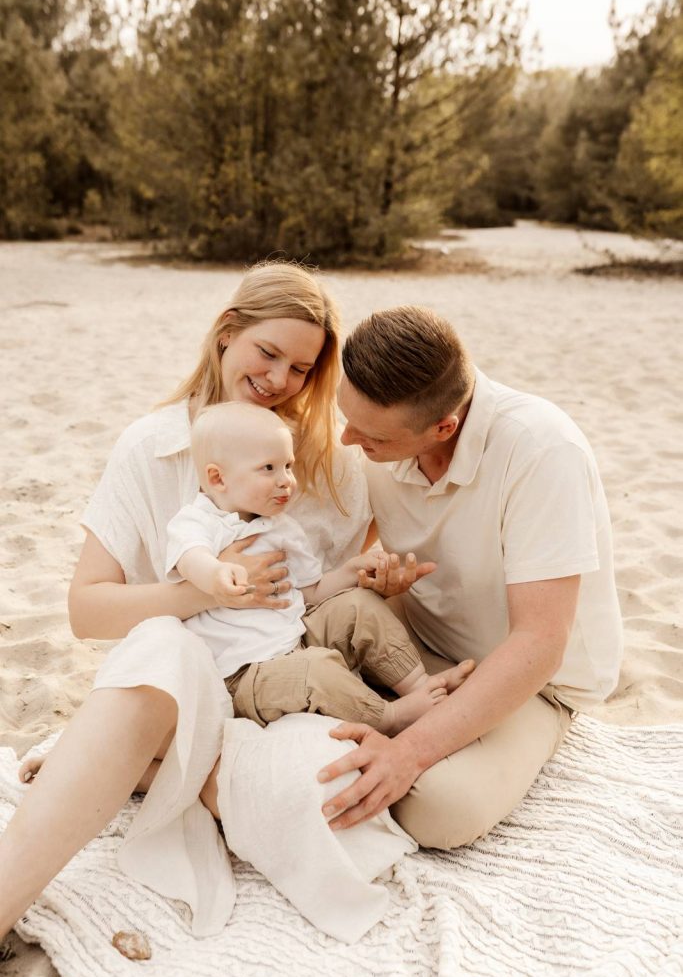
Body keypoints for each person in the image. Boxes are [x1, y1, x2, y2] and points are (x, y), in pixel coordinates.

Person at [0, 261, 400, 937]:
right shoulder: (151, 446)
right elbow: (86, 608)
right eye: (266, 352)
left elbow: (334, 597)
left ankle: (140, 760)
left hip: (275, 684)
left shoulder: (323, 463)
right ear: (226, 333)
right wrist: (202, 590)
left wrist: (372, 577)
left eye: (301, 368)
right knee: (164, 644)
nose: (278, 379)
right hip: (175, 669)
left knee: (329, 794)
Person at [316, 305, 624, 848]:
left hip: (532, 681)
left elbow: (540, 642)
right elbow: (334, 567)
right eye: (347, 418)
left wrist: (408, 752)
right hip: (415, 645)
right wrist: (374, 582)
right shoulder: (375, 438)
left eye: (371, 437)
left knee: (440, 808)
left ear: (444, 426)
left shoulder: (542, 449)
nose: (347, 441)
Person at [164, 401, 472, 735]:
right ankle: (391, 716)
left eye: (288, 466)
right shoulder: (200, 520)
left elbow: (311, 592)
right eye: (268, 468)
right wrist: (214, 575)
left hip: (296, 636)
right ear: (218, 478)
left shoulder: (281, 527)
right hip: (244, 673)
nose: (286, 481)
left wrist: (351, 572)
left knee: (358, 605)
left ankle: (419, 685)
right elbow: (189, 554)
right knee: (315, 671)